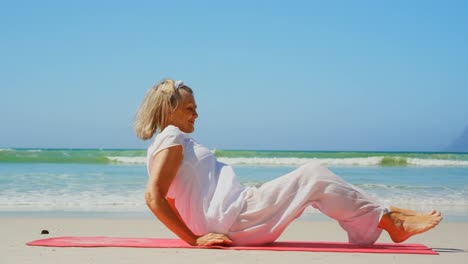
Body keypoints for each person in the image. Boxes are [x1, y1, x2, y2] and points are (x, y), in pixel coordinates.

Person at [134, 79, 442, 247]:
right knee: (314, 175)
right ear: (169, 110)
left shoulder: (173, 142)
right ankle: (390, 221)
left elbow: (174, 198)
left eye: (196, 107)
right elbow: (154, 197)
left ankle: (387, 216)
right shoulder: (172, 137)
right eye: (189, 108)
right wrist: (194, 239)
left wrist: (196, 226)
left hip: (236, 212)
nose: (196, 114)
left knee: (315, 180)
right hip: (234, 219)